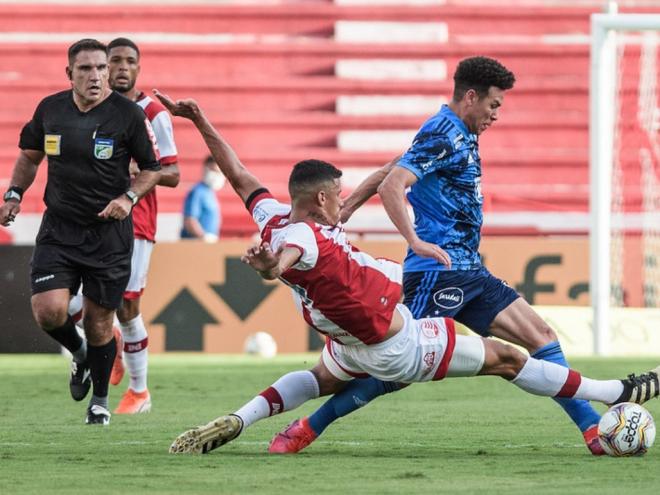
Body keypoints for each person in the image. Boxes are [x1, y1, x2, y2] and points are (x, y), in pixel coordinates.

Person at [153, 91, 659, 455]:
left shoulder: (275, 218)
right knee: (506, 358)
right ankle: (612, 392)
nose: (343, 200)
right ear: (322, 198)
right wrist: (270, 268)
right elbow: (288, 256)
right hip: (396, 342)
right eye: (338, 194)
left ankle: (242, 418)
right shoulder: (301, 237)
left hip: (347, 342)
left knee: (317, 379)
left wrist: (199, 120)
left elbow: (239, 175)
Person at [269, 55, 609, 455]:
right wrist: (414, 240)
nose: (496, 115)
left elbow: (390, 169)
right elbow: (394, 185)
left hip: (469, 269)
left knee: (541, 337)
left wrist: (345, 211)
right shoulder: (443, 132)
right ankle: (308, 426)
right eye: (493, 105)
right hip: (437, 271)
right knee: (399, 368)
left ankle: (592, 429)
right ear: (471, 97)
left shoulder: (456, 131)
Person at [0, 39, 161, 425]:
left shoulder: (127, 115)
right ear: (69, 73)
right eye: (86, 68)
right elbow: (29, 156)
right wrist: (14, 193)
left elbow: (153, 169)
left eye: (102, 68)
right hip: (60, 228)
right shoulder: (50, 110)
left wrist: (128, 197)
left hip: (109, 235)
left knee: (99, 322)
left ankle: (100, 402)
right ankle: (81, 353)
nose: (96, 76)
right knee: (48, 311)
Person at [67, 37, 180, 415]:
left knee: (127, 305)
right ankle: (108, 340)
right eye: (114, 61)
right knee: (65, 300)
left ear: (138, 68)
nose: (121, 68)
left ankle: (139, 392)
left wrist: (138, 169)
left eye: (129, 62)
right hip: (89, 218)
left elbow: (173, 173)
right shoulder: (91, 108)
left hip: (136, 221)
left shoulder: (152, 113)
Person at [180, 155, 224, 241]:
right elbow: (190, 221)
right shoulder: (197, 192)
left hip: (208, 243)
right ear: (206, 170)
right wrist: (204, 237)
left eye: (219, 172)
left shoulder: (210, 192)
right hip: (195, 243)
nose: (217, 175)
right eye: (214, 171)